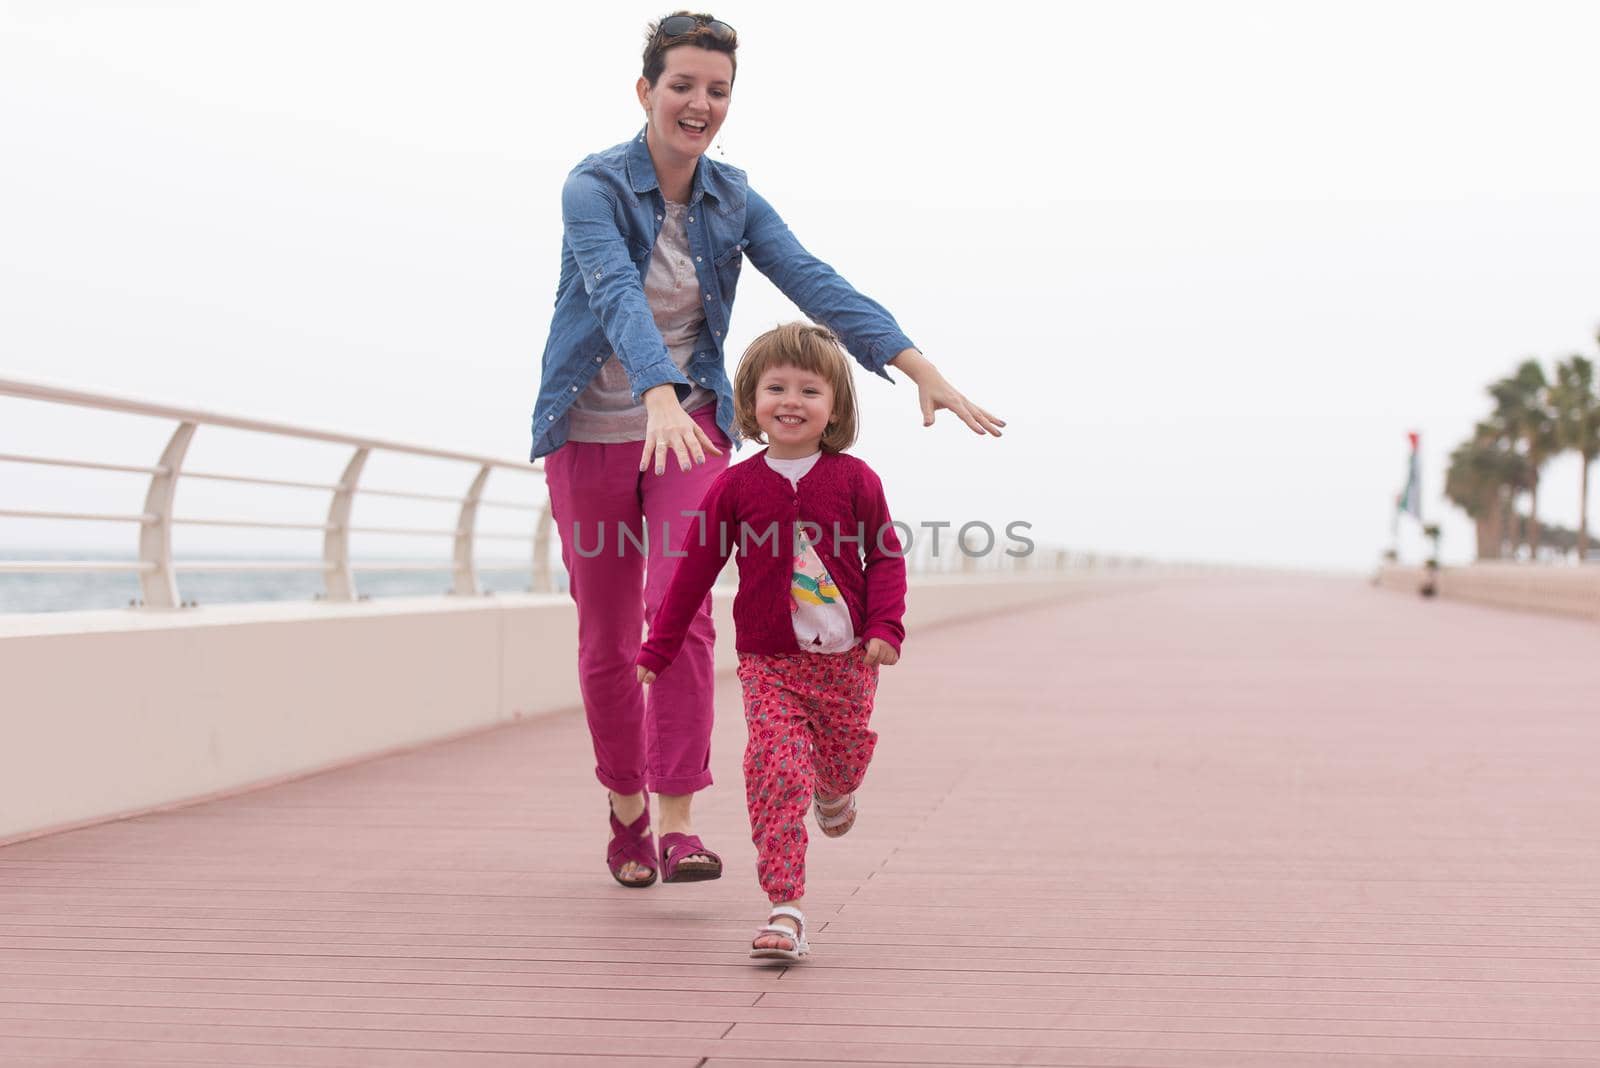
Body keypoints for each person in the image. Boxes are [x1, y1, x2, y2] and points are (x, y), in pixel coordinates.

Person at [531, 11, 1002, 890]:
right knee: (605, 638)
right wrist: (654, 390)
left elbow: (814, 280)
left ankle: (677, 824)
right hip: (596, 430)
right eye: (683, 86)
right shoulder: (592, 186)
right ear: (646, 92)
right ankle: (625, 811)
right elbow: (614, 295)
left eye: (717, 90)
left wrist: (915, 362)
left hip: (692, 428)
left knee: (684, 608)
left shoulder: (732, 199)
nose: (699, 104)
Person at [636, 322, 906, 960]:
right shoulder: (735, 485)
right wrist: (660, 645)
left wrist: (885, 627)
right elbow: (693, 571)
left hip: (846, 665)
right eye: (775, 387)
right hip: (769, 665)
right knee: (776, 770)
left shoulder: (856, 480)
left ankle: (835, 789)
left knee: (839, 762)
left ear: (833, 407)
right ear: (750, 403)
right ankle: (784, 908)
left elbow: (885, 558)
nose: (791, 400)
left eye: (809, 389)